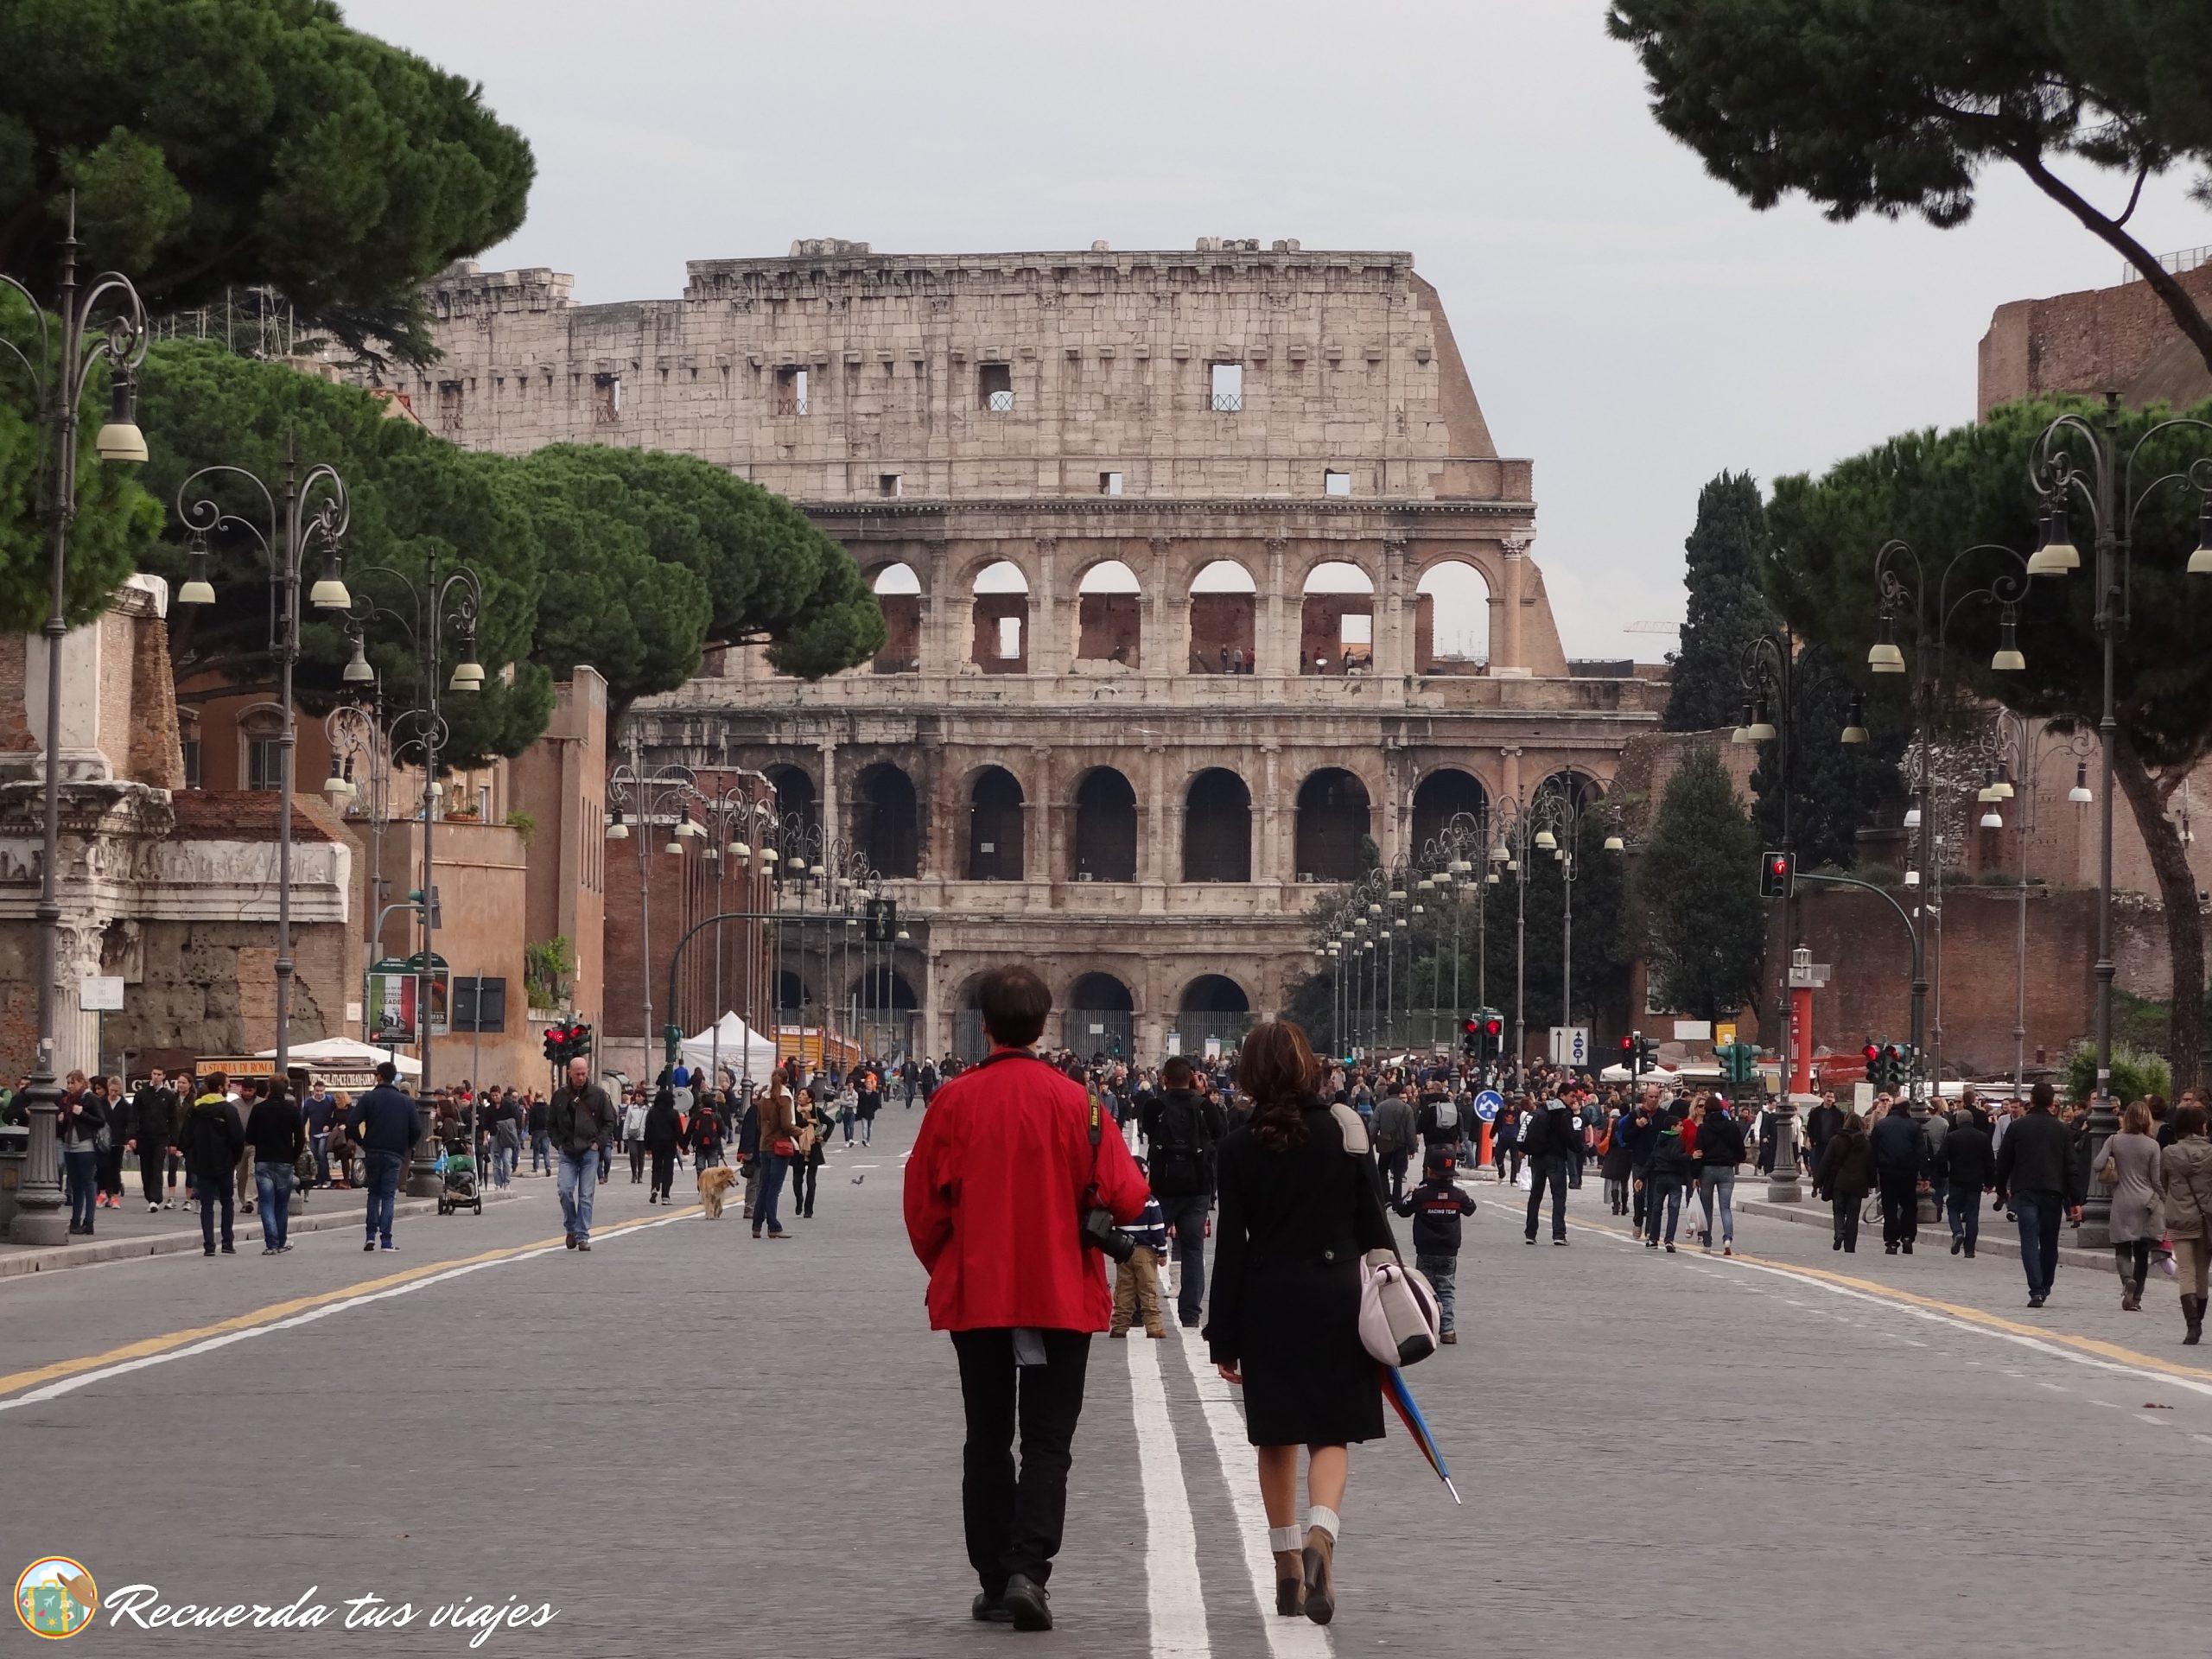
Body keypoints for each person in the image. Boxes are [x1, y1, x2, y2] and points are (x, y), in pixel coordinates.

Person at [904, 965, 1150, 1633]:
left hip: (979, 1293)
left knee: (987, 1438)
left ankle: (991, 1578)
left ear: (983, 1024)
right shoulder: (1082, 1104)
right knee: (1048, 1443)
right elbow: (1128, 1196)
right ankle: (1028, 1569)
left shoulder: (953, 1102)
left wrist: (951, 1265)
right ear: (1044, 1026)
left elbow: (923, 1209)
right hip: (1061, 1293)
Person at [1207, 1019, 1396, 1628]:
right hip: (1336, 1296)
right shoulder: (1345, 1130)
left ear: (1249, 1074)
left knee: (1276, 1436)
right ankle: (1323, 1536)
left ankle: (1287, 1566)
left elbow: (1231, 1250)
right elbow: (1375, 1229)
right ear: (1309, 1066)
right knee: (1330, 1435)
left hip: (1268, 1299)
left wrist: (1223, 1335)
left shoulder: (1237, 1147)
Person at [1140, 1056, 1227, 1329]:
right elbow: (1221, 1131)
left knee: (1148, 1247)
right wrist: (1200, 1096)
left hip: (1163, 1187)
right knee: (1192, 1249)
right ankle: (1190, 1314)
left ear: (1164, 1079)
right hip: (1196, 1189)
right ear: (1191, 1078)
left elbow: (1148, 1130)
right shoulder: (1204, 1107)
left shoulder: (1155, 1106)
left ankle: (1141, 1310)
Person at [1993, 1081, 2085, 1309]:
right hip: (2053, 1191)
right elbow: (2071, 1167)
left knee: (2028, 1240)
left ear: (2031, 1101)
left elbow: (2003, 1162)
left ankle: (2035, 1289)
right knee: (2049, 1241)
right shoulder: (2062, 1130)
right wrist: (2075, 1201)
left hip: (2024, 1191)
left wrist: (2001, 1190)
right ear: (2052, 1103)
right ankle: (2046, 1285)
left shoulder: (2017, 1127)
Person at [1394, 1148, 1476, 1344]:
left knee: (1425, 1289)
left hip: (1425, 1250)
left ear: (1429, 1171)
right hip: (1449, 1251)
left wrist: (1410, 1193)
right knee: (1446, 1289)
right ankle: (1447, 1330)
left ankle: (1427, 1327)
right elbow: (1471, 1208)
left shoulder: (1421, 1195)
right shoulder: (1459, 1195)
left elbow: (1402, 1210)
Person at [2101, 1099, 2166, 1312]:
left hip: (2122, 1199)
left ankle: (2126, 1280)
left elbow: (2097, 1164)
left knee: (2121, 1247)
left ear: (2126, 1118)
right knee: (2141, 1252)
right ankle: (2136, 1298)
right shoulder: (2153, 1145)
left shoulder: (2114, 1140)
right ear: (2147, 1119)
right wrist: (2165, 1199)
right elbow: (2156, 1180)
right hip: (2146, 1202)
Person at [349, 1061, 422, 1253]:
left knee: (373, 1194)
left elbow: (351, 1123)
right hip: (395, 1152)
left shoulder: (369, 1098)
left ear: (379, 1076)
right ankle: (387, 1241)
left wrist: (362, 1141)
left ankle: (370, 1236)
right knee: (389, 1196)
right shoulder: (406, 1102)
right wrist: (407, 1145)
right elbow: (416, 1129)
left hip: (372, 1151)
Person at [549, 1056, 615, 1250]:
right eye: (577, 1074)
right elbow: (551, 1123)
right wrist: (558, 1143)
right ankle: (571, 1228)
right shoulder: (560, 1095)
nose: (581, 1077)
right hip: (567, 1150)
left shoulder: (598, 1094)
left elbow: (609, 1121)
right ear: (570, 1073)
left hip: (589, 1150)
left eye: (584, 1073)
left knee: (586, 1194)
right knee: (565, 1190)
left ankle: (582, 1236)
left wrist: (598, 1143)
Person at [2158, 1103, 2210, 1344]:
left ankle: (2192, 1326)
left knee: (2186, 1271)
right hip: (2207, 1219)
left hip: (2180, 1217)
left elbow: (2163, 1184)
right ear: (2202, 1126)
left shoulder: (2169, 1153)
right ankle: (2198, 1320)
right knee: (2202, 1272)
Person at [179, 1072, 246, 1256]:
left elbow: (185, 1138)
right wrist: (235, 1159)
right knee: (227, 1203)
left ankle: (209, 1245)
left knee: (206, 1205)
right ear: (220, 1088)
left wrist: (192, 1158)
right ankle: (227, 1242)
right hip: (224, 1163)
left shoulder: (195, 1109)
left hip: (202, 1163)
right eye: (227, 1084)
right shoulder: (228, 1110)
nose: (228, 1087)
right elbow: (238, 1138)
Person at [1108, 1164, 1170, 1340]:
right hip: (1144, 1251)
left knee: (1124, 1289)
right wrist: (1162, 1251)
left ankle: (1119, 1326)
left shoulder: (1119, 1198)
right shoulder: (1150, 1201)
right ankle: (1154, 1327)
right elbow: (1157, 1229)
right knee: (1148, 1289)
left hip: (1122, 1250)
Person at [245, 1079, 307, 1254]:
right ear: (286, 1089)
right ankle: (280, 1242)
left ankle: (271, 1243)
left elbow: (249, 1137)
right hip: (284, 1160)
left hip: (263, 1159)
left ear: (270, 1089)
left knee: (266, 1202)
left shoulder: (259, 1109)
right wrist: (293, 1156)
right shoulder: (292, 1110)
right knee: (281, 1203)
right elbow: (301, 1139)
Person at [1868, 1096, 1925, 1255]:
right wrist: (1925, 1176)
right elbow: (1921, 1152)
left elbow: (1872, 1151)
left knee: (1890, 1207)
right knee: (1909, 1206)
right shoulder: (1914, 1126)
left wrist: (1872, 1175)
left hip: (1887, 1172)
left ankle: (1891, 1243)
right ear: (1907, 1109)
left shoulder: (1881, 1125)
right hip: (1908, 1172)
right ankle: (1907, 1237)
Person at [1521, 1085, 1576, 1246]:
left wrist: (1525, 1149)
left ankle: (1530, 1233)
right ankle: (1559, 1234)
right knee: (1559, 1197)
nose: (1574, 1100)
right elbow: (1569, 1137)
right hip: (1556, 1159)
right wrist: (1580, 1149)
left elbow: (1528, 1130)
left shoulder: (1542, 1111)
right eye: (1572, 1096)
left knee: (1535, 1196)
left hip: (1538, 1159)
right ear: (1562, 1096)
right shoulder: (1563, 1113)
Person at [1814, 1110, 1873, 1252]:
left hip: (1839, 1182)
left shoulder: (1836, 1140)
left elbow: (1825, 1162)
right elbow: (1870, 1165)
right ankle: (1850, 1246)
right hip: (1858, 1184)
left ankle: (1839, 1232)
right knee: (1853, 1215)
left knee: (1839, 1210)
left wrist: (1817, 1183)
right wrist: (1872, 1183)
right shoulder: (1865, 1142)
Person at [1941, 1103, 1995, 1257]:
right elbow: (1990, 1162)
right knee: (1972, 1214)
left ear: (1958, 1121)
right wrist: (1990, 1182)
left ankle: (1957, 1232)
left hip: (1957, 1179)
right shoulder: (1982, 1137)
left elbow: (1941, 1158)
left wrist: (1945, 1174)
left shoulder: (1952, 1137)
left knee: (1952, 1208)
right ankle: (1970, 1250)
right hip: (1975, 1181)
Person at [56, 1071, 105, 1236]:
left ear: (81, 1083)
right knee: (75, 1184)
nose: (69, 1086)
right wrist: (62, 1120)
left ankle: (89, 1222)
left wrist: (81, 1113)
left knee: (87, 1182)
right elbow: (66, 1127)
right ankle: (75, 1221)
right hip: (70, 1146)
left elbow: (100, 1120)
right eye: (68, 1083)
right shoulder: (67, 1100)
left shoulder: (89, 1098)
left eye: (73, 1083)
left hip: (86, 1146)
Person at [1695, 1095, 1745, 1255]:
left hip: (1707, 1169)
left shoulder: (1703, 1128)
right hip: (1726, 1169)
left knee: (1707, 1207)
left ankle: (1707, 1243)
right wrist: (1738, 1159)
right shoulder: (1731, 1126)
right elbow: (1739, 1147)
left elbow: (1699, 1151)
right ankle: (1727, 1239)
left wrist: (1695, 1175)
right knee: (1725, 1207)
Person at [1643, 1104, 1695, 1252]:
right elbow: (1677, 1158)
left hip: (1660, 1177)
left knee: (1656, 1208)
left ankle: (1653, 1239)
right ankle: (1669, 1239)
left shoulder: (1659, 1140)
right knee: (1673, 1209)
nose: (1682, 1128)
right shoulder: (1678, 1142)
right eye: (1680, 1125)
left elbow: (1651, 1159)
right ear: (1673, 1127)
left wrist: (1641, 1177)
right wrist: (1690, 1158)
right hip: (1674, 1178)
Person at [127, 1068, 179, 1213]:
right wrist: (132, 1137)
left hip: (161, 1138)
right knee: (146, 1168)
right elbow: (133, 1117)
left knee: (157, 1167)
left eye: (159, 1075)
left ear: (164, 1077)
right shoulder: (141, 1094)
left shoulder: (168, 1096)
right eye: (154, 1074)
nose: (156, 1077)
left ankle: (155, 1198)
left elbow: (173, 1120)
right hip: (143, 1137)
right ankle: (149, 1197)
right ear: (151, 1075)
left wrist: (174, 1142)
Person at [753, 1077, 798, 1240]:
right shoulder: (784, 1098)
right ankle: (774, 1226)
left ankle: (756, 1226)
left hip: (764, 1145)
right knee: (774, 1189)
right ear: (787, 1081)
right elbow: (786, 1125)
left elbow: (759, 1124)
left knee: (763, 1187)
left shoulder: (763, 1098)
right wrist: (800, 1132)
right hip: (779, 1146)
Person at [1371, 1084, 1415, 1203]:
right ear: (1400, 1092)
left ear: (1388, 1092)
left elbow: (1374, 1127)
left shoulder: (1381, 1107)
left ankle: (1386, 1197)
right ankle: (1397, 1200)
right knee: (1398, 1174)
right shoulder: (1407, 1108)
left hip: (1386, 1144)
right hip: (1401, 1145)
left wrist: (1371, 1142)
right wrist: (1412, 1148)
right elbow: (1410, 1131)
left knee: (1382, 1169)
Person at [643, 1081, 683, 1205]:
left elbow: (647, 1129)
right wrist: (683, 1145)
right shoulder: (673, 1113)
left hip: (655, 1143)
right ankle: (665, 1196)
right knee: (668, 1169)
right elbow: (678, 1131)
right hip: (669, 1144)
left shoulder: (652, 1112)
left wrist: (647, 1146)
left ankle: (655, 1187)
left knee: (656, 1167)